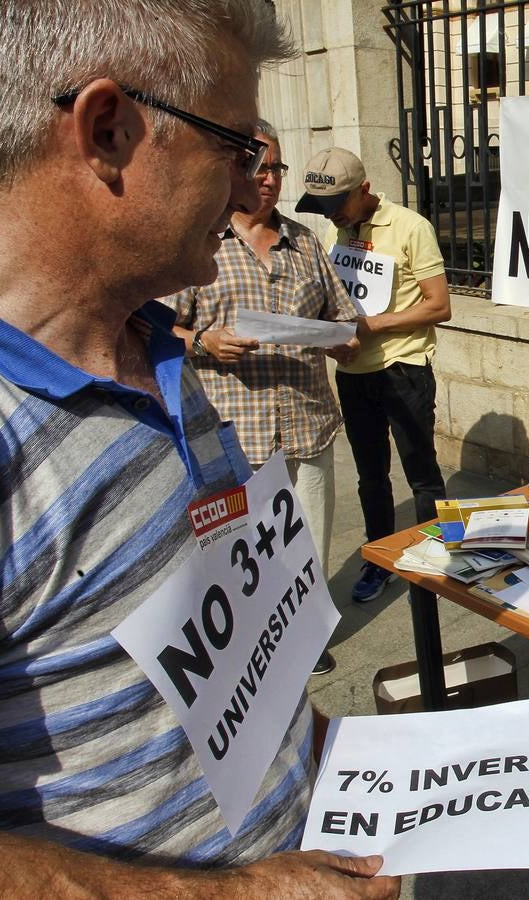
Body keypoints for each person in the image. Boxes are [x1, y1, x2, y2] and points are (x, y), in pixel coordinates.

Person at [0, 2, 397, 895]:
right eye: (235, 148)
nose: (249, 186)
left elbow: (238, 658)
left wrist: (325, 757)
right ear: (108, 130)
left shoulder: (154, 346)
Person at [163, 120, 360, 677]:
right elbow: (154, 328)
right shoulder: (200, 244)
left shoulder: (306, 244)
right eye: (260, 167)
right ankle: (251, 649)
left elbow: (344, 319)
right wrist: (203, 340)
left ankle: (307, 634)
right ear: (233, 169)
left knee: (311, 539)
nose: (270, 180)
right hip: (235, 433)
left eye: (277, 168)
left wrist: (342, 342)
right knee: (241, 553)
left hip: (307, 423)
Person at [295, 148, 450, 603]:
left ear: (364, 191)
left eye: (337, 205)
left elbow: (439, 305)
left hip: (404, 368)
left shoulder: (410, 227)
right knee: (370, 475)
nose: (332, 216)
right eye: (324, 209)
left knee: (421, 472)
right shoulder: (335, 229)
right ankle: (379, 557)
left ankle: (437, 554)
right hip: (354, 370)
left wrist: (370, 325)